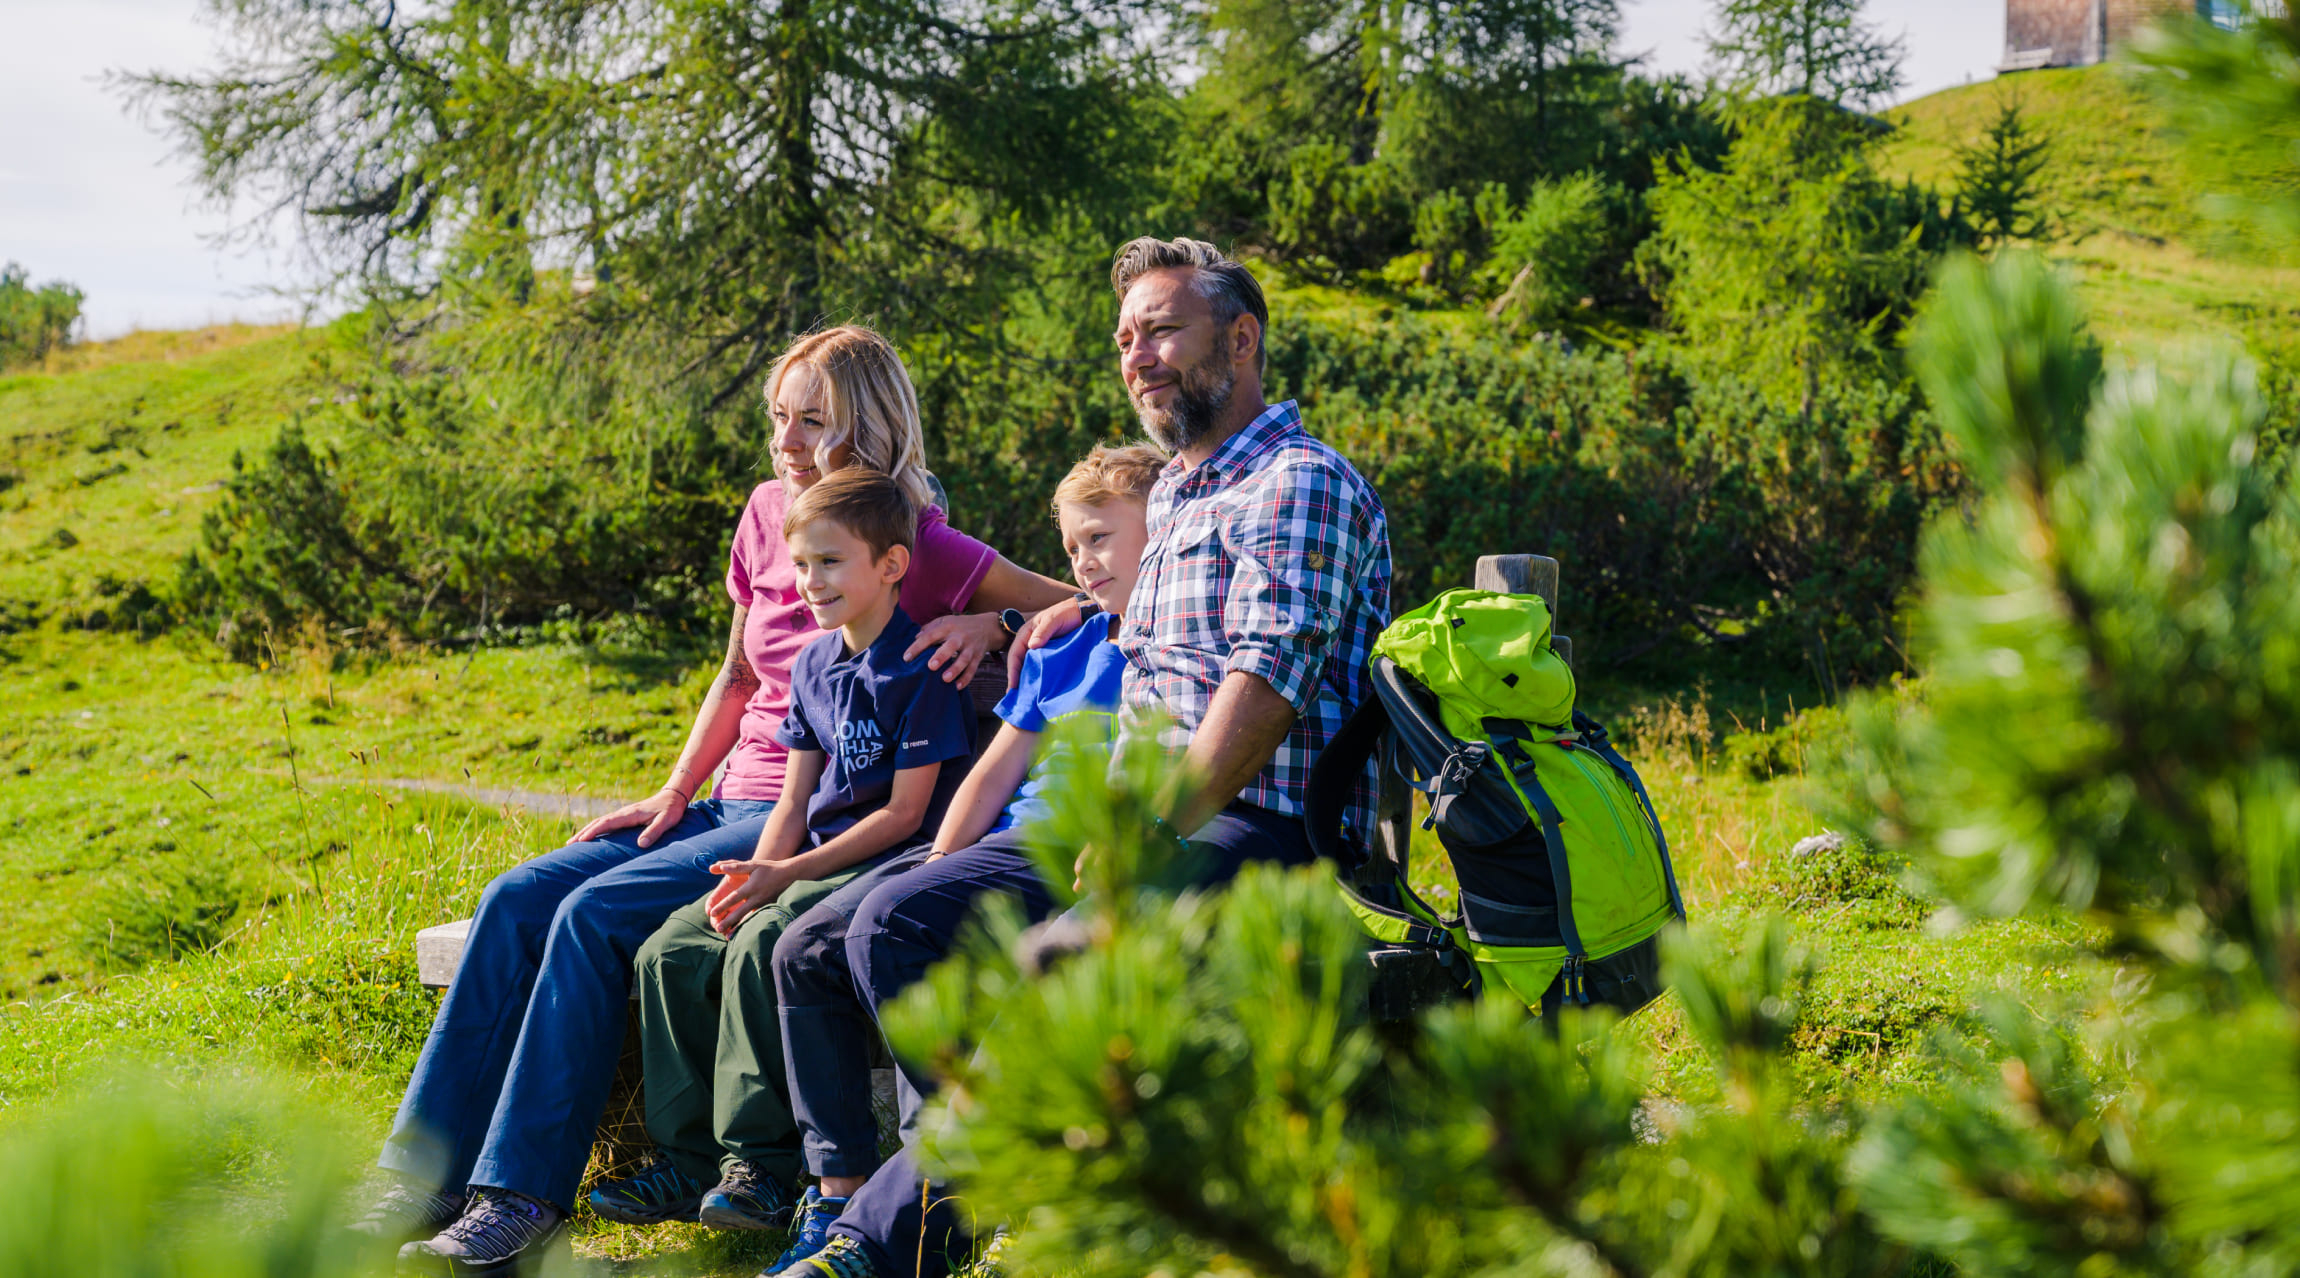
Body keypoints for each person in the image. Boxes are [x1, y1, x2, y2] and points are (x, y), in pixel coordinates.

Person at [367, 326, 1072, 1278]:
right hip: (726, 793)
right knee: (515, 897)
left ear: (868, 421)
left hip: (797, 806)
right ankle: (417, 1173)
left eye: (811, 420)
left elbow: (1078, 600)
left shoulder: (909, 534)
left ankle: (517, 1197)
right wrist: (670, 790)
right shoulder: (764, 512)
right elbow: (738, 672)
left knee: (587, 917)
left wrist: (996, 620)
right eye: (778, 417)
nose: (785, 441)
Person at [792, 235, 1394, 1278]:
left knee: (1051, 966)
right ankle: (987, 1183)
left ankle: (878, 1247)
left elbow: (1263, 687)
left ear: (1240, 339)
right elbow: (1118, 620)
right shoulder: (1177, 495)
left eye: (1163, 330)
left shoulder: (1297, 485)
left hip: (1245, 826)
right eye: (1125, 339)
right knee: (897, 918)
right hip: (1119, 826)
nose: (1139, 356)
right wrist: (1018, 622)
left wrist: (1149, 830)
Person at [760, 444, 1161, 1275]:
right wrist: (938, 864)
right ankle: (860, 1186)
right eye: (1074, 546)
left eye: (1103, 540)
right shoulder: (1064, 648)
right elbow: (992, 775)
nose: (1083, 563)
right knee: (812, 944)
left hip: (1081, 855)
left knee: (890, 926)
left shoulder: (1165, 651)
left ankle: (945, 1189)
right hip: (1003, 849)